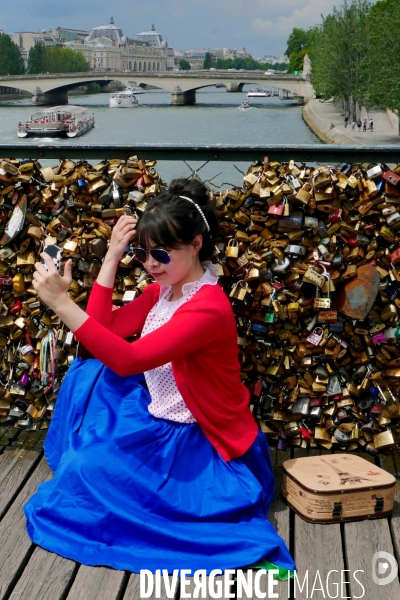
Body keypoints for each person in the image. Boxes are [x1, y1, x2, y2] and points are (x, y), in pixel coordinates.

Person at [23, 178, 295, 577]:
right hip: (156, 416)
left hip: (198, 440)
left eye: (162, 254)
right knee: (88, 376)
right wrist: (112, 257)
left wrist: (62, 303)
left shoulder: (207, 308)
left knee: (87, 469)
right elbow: (104, 335)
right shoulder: (164, 289)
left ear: (197, 244)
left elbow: (129, 360)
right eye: (144, 253)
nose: (151, 264)